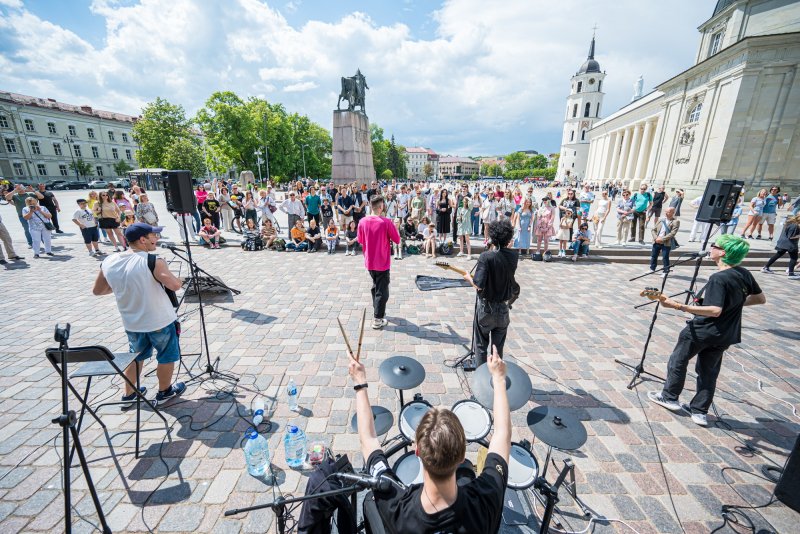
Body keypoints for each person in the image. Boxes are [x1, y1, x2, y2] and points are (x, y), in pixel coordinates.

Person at [342, 344, 509, 533]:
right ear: (462, 454)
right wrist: (499, 378)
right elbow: (502, 434)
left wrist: (360, 383)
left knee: (370, 502)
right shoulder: (486, 498)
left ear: (417, 452)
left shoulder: (397, 508)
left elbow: (369, 440)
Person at [649, 234, 765, 426]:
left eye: (714, 245)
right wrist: (734, 304)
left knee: (678, 360)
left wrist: (679, 306)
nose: (710, 248)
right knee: (709, 372)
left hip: (703, 330)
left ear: (722, 253)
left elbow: (714, 310)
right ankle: (700, 411)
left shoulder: (719, 278)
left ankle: (669, 397)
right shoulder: (744, 273)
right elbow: (760, 299)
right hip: (726, 334)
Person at [92, 222, 186, 406]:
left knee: (136, 356)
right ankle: (164, 391)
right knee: (166, 356)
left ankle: (129, 394)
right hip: (159, 320)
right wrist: (180, 279)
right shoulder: (154, 261)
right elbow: (174, 285)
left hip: (132, 322)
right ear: (143, 239)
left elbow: (98, 290)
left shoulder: (109, 261)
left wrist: (125, 287)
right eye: (154, 236)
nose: (156, 239)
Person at [462, 220, 518, 366]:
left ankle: (481, 379)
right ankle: (495, 378)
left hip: (486, 309)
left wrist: (469, 278)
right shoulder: (514, 256)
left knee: (480, 346)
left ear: (492, 237)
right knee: (497, 349)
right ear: (509, 237)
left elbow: (479, 285)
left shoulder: (486, 256)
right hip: (503, 309)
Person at [357, 195, 401, 329]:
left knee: (376, 287)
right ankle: (377, 318)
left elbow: (360, 240)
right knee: (382, 291)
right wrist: (396, 226)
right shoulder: (386, 222)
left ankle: (378, 310)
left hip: (369, 261)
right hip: (382, 262)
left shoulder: (362, 221)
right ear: (381, 206)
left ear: (371, 206)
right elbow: (397, 240)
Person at [762, 214, 800, 279]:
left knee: (778, 255)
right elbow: (790, 236)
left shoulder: (790, 223)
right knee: (794, 258)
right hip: (790, 245)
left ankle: (766, 267)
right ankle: (791, 274)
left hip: (783, 243)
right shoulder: (795, 226)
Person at [649, 207, 680, 275]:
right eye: (665, 211)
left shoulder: (675, 222)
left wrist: (662, 239)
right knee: (654, 255)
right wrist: (656, 238)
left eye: (668, 212)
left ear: (672, 213)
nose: (666, 213)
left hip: (666, 242)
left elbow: (672, 233)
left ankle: (666, 271)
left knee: (665, 257)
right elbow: (653, 230)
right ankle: (652, 268)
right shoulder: (661, 220)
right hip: (656, 241)